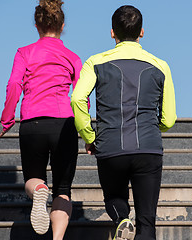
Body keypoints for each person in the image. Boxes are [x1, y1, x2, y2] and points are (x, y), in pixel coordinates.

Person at [71, 5, 177, 240]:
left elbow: (77, 98)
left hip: (110, 146)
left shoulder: (95, 62)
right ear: (142, 32)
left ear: (112, 33)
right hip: (148, 148)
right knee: (147, 221)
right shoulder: (161, 65)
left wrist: (89, 136)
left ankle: (122, 219)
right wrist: (151, 127)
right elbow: (169, 119)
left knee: (114, 199)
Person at [0, 0, 82, 239]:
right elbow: (80, 96)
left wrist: (7, 120)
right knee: (63, 190)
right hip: (64, 123)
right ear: (62, 25)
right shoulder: (72, 57)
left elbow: (14, 84)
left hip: (33, 123)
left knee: (33, 180)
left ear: (36, 25)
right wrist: (87, 133)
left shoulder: (24, 53)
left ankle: (39, 189)